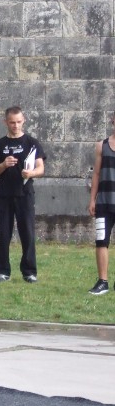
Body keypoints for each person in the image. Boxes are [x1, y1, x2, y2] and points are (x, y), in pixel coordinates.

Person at [0, 106, 46, 283]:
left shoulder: (32, 143)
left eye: (19, 122)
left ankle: (29, 272)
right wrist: (3, 165)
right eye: (12, 122)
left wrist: (30, 173)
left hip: (25, 194)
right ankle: (2, 271)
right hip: (4, 195)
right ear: (5, 122)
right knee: (4, 234)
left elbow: (41, 168)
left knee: (27, 233)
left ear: (23, 120)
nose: (16, 125)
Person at [86, 111, 115, 295]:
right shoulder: (101, 146)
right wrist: (92, 199)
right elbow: (96, 174)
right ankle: (102, 281)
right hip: (104, 203)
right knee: (101, 241)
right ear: (113, 121)